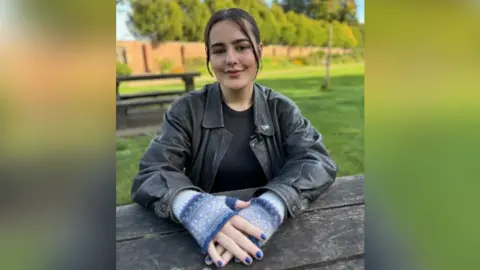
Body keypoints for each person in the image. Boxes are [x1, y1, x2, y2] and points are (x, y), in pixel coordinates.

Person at [130, 7, 338, 268]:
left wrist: (271, 206)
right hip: (205, 246)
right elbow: (152, 171)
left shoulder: (281, 109)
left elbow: (316, 160)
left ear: (258, 51)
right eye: (218, 50)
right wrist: (196, 208)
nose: (230, 59)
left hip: (274, 242)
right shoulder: (186, 110)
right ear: (210, 57)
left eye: (241, 47)